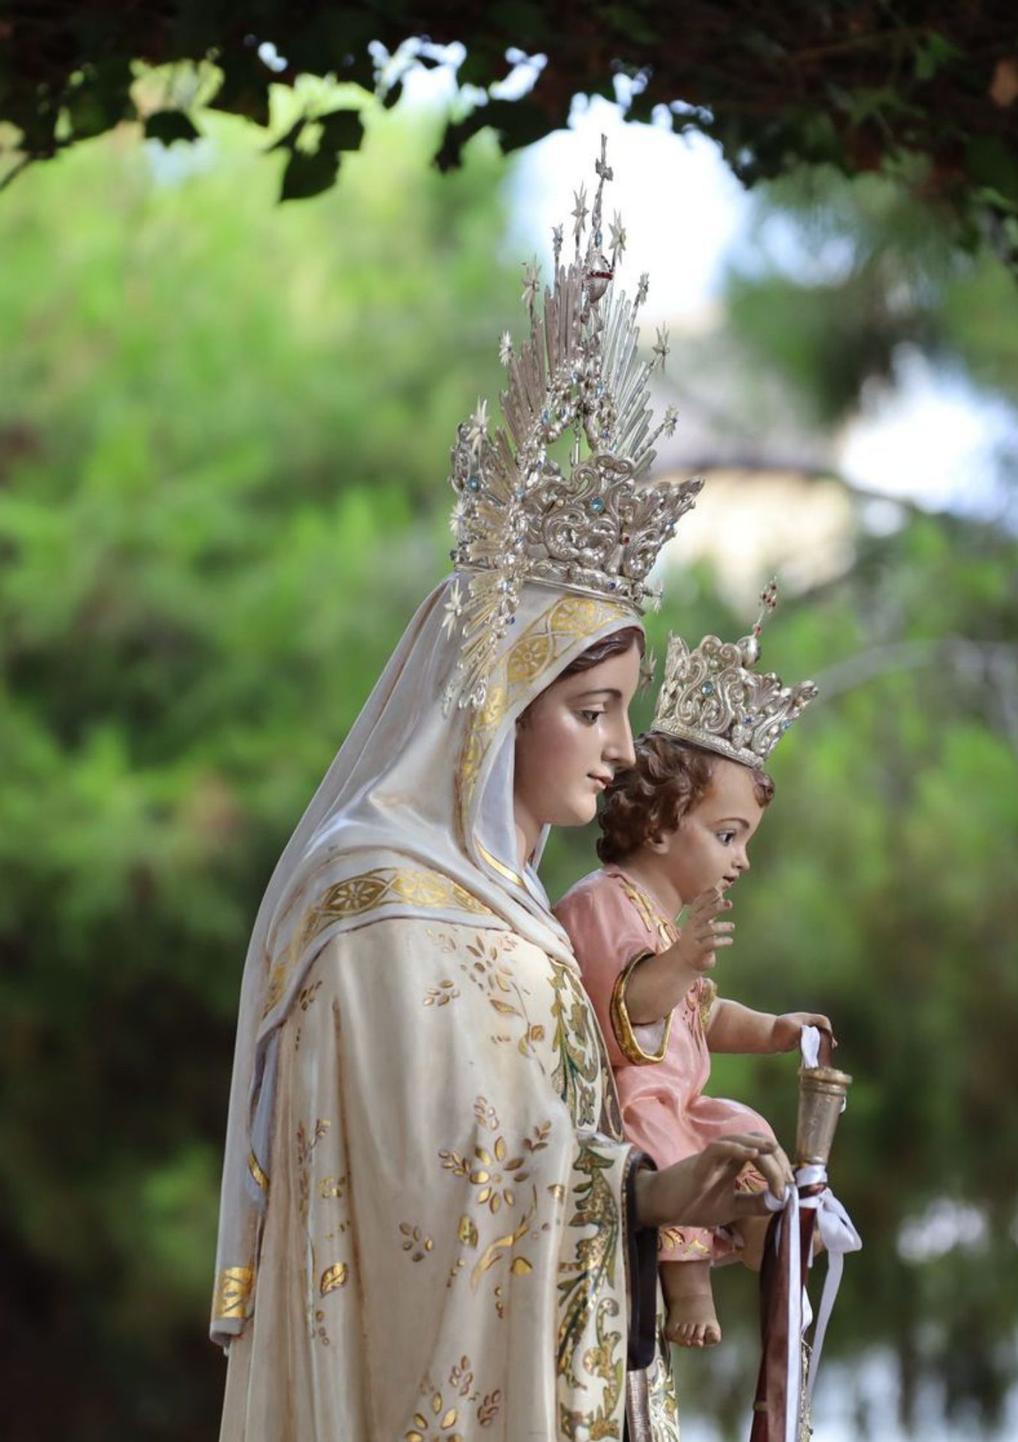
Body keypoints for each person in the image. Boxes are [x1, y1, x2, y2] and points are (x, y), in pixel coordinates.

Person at [211, 144, 794, 1442]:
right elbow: (420, 1203)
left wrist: (671, 1190)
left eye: (626, 709)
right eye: (592, 710)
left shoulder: (517, 911)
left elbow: (532, 1153)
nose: (622, 749)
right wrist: (639, 1195)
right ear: (493, 706)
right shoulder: (385, 897)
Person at [555, 592, 832, 1349]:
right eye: (728, 835)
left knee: (744, 1128)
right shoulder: (604, 903)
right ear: (661, 820)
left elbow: (701, 1013)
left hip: (683, 1098)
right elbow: (625, 1009)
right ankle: (687, 1286)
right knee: (671, 1147)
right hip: (634, 1100)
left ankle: (756, 1236)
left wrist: (774, 1031)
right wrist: (677, 963)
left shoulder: (663, 917)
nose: (741, 860)